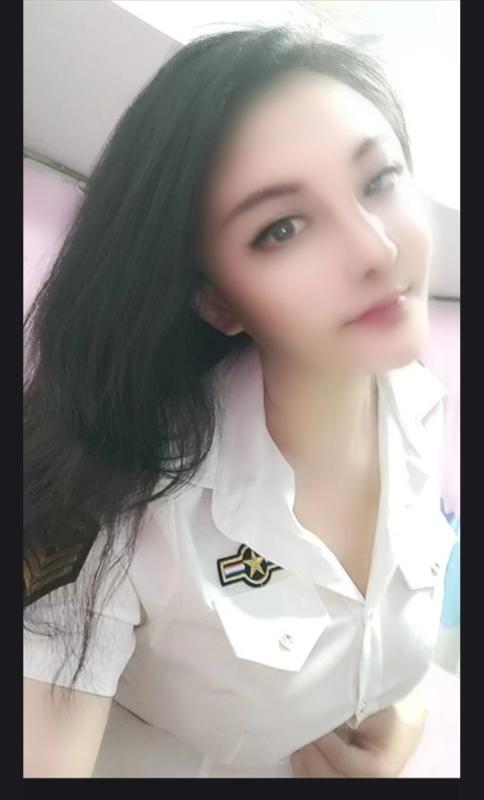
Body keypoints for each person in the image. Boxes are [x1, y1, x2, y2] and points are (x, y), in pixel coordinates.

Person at [23, 23, 458, 778]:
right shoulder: (115, 507)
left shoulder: (418, 399)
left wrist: (403, 704)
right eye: (282, 228)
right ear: (215, 298)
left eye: (379, 180)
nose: (376, 250)